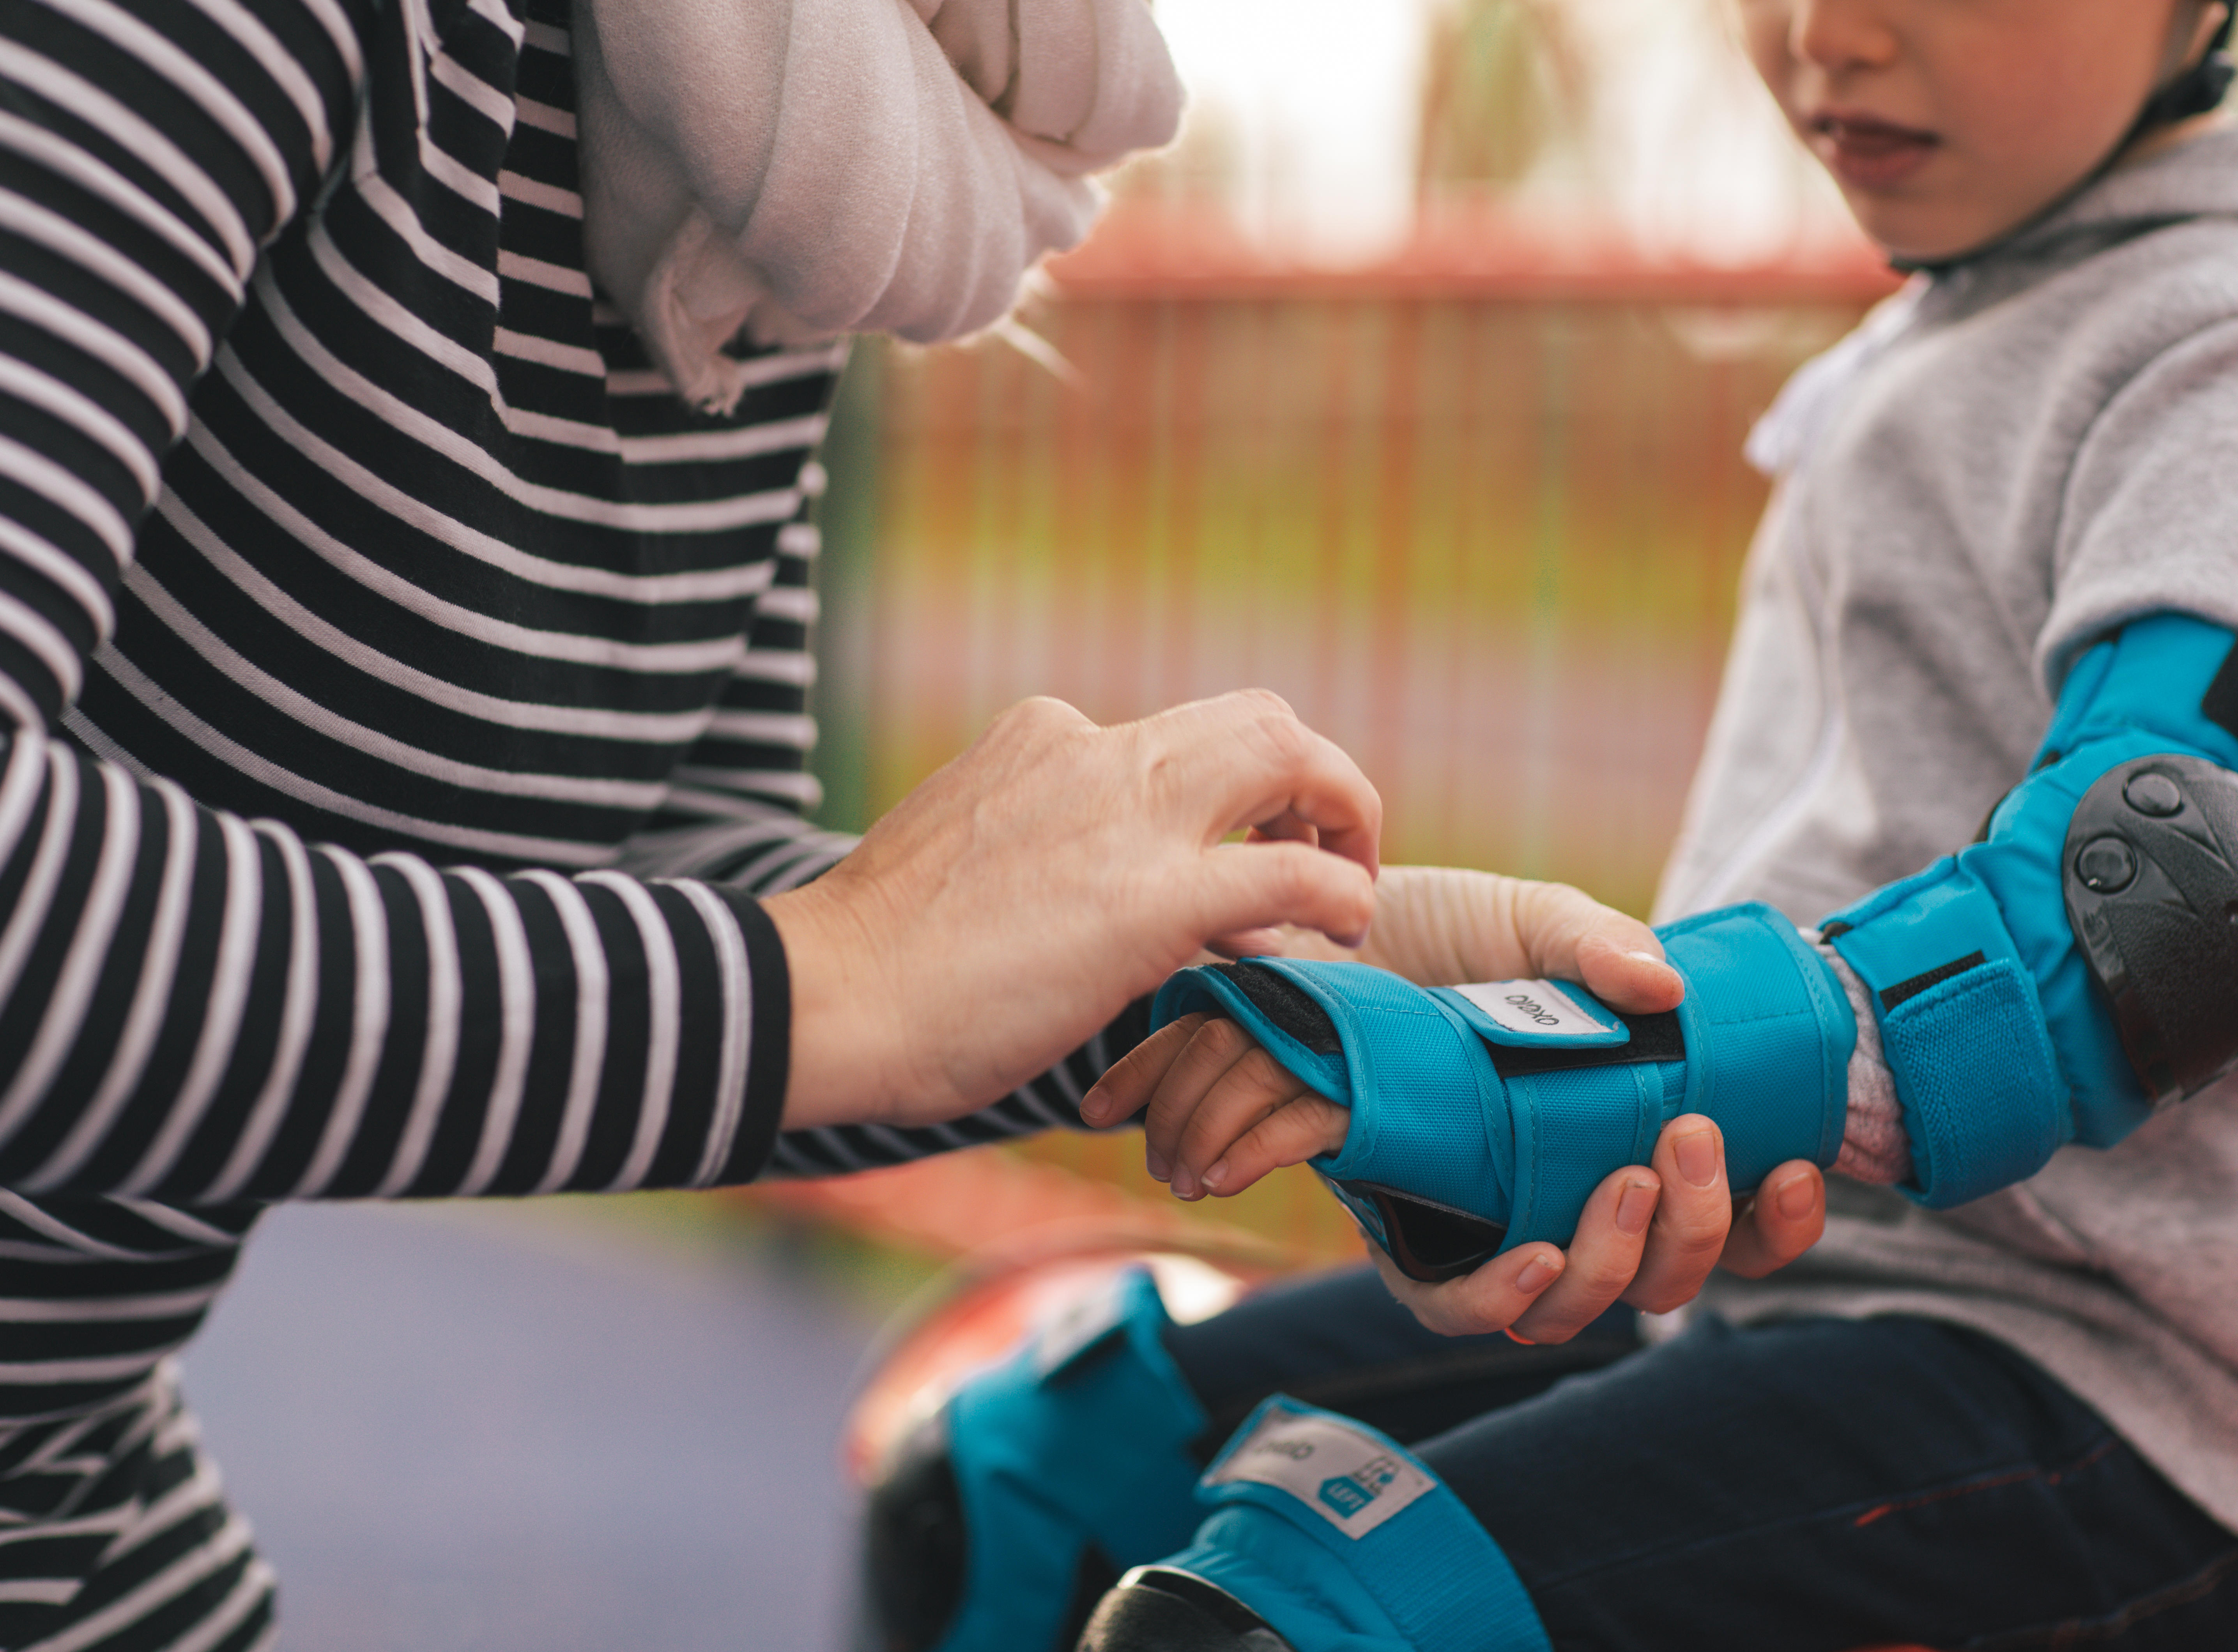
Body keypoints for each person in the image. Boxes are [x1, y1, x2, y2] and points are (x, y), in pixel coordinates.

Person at [0, 0, 1772, 1644]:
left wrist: (1277, 977)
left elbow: (648, 897)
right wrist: (832, 976)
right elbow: (789, 985)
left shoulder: (836, 137)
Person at [869, 0, 2238, 1648]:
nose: (1825, 35)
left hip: (2117, 1382)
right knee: (1036, 1472)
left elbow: (2163, 914)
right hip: (1799, 1277)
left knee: (1308, 1620)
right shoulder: (1999, 291)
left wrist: (1589, 1069)